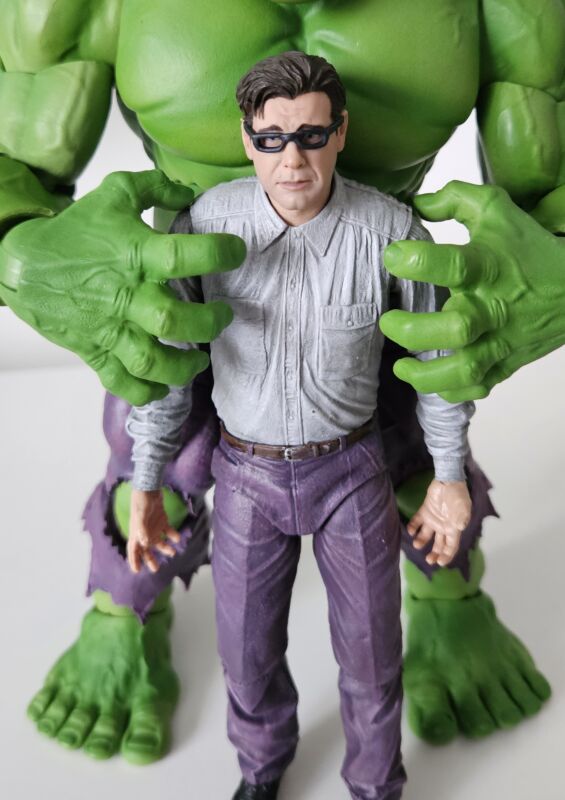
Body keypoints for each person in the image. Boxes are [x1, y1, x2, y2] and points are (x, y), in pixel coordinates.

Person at [126, 52, 474, 800]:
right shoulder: (203, 228)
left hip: (351, 471)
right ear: (247, 139)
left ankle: (375, 784)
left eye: (312, 136)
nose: (293, 160)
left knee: (372, 655)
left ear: (339, 132)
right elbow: (166, 368)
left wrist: (448, 476)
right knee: (244, 653)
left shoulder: (389, 231)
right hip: (244, 476)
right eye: (272, 139)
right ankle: (261, 768)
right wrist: (145, 479)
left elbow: (439, 363)